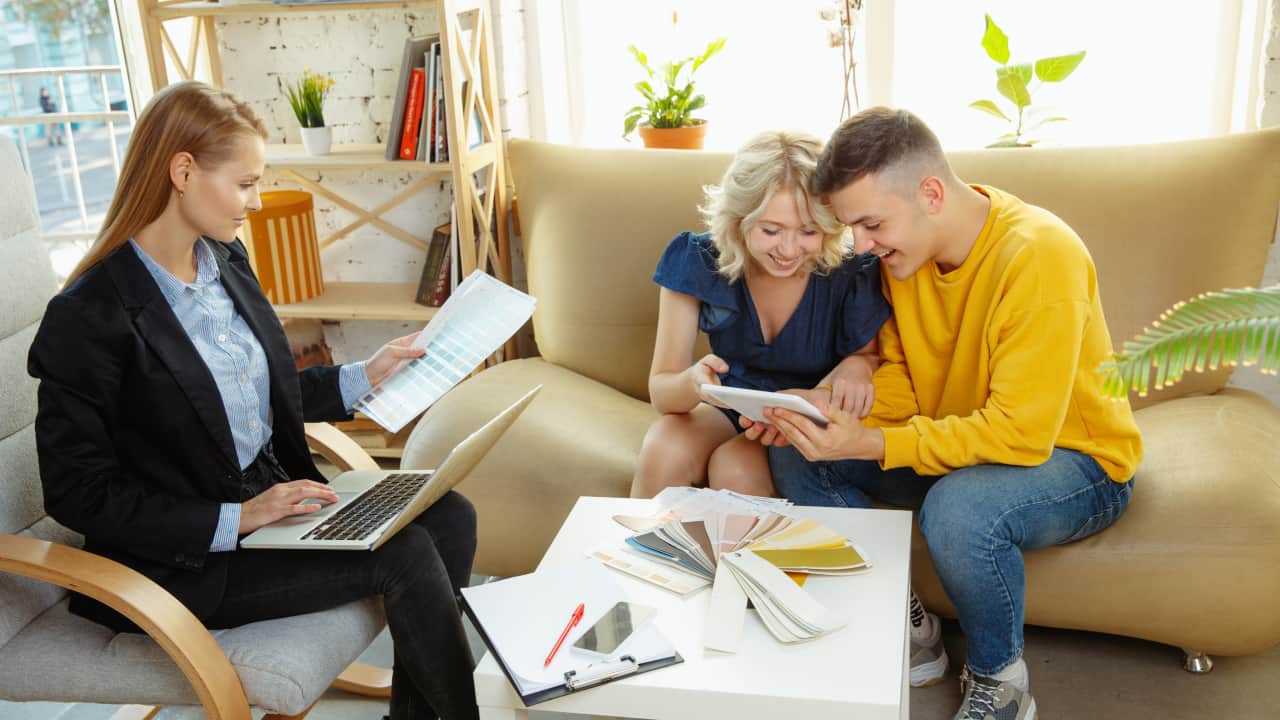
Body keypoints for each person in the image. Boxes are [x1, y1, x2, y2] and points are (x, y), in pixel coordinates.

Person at [28, 81, 480, 720]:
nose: (256, 201)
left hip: (274, 507)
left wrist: (364, 376)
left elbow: (253, 393)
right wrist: (237, 518)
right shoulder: (89, 317)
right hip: (186, 560)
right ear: (182, 172)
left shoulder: (224, 260)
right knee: (404, 553)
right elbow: (76, 492)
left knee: (450, 513)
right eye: (245, 184)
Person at [762, 107, 1143, 720]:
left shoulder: (1040, 256)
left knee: (960, 508)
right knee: (797, 450)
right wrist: (822, 410)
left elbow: (1019, 434)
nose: (860, 245)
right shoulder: (904, 257)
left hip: (1076, 463)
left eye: (870, 223)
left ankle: (1002, 678)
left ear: (931, 193)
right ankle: (906, 622)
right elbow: (909, 383)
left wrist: (870, 445)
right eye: (851, 227)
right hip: (968, 447)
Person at [631, 130, 890, 499]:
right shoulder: (697, 259)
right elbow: (663, 392)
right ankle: (642, 556)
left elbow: (869, 357)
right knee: (664, 444)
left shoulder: (850, 272)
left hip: (802, 415)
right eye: (771, 230)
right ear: (739, 219)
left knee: (735, 465)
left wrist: (859, 364)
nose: (788, 249)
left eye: (808, 231)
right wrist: (695, 382)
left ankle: (749, 559)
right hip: (732, 403)